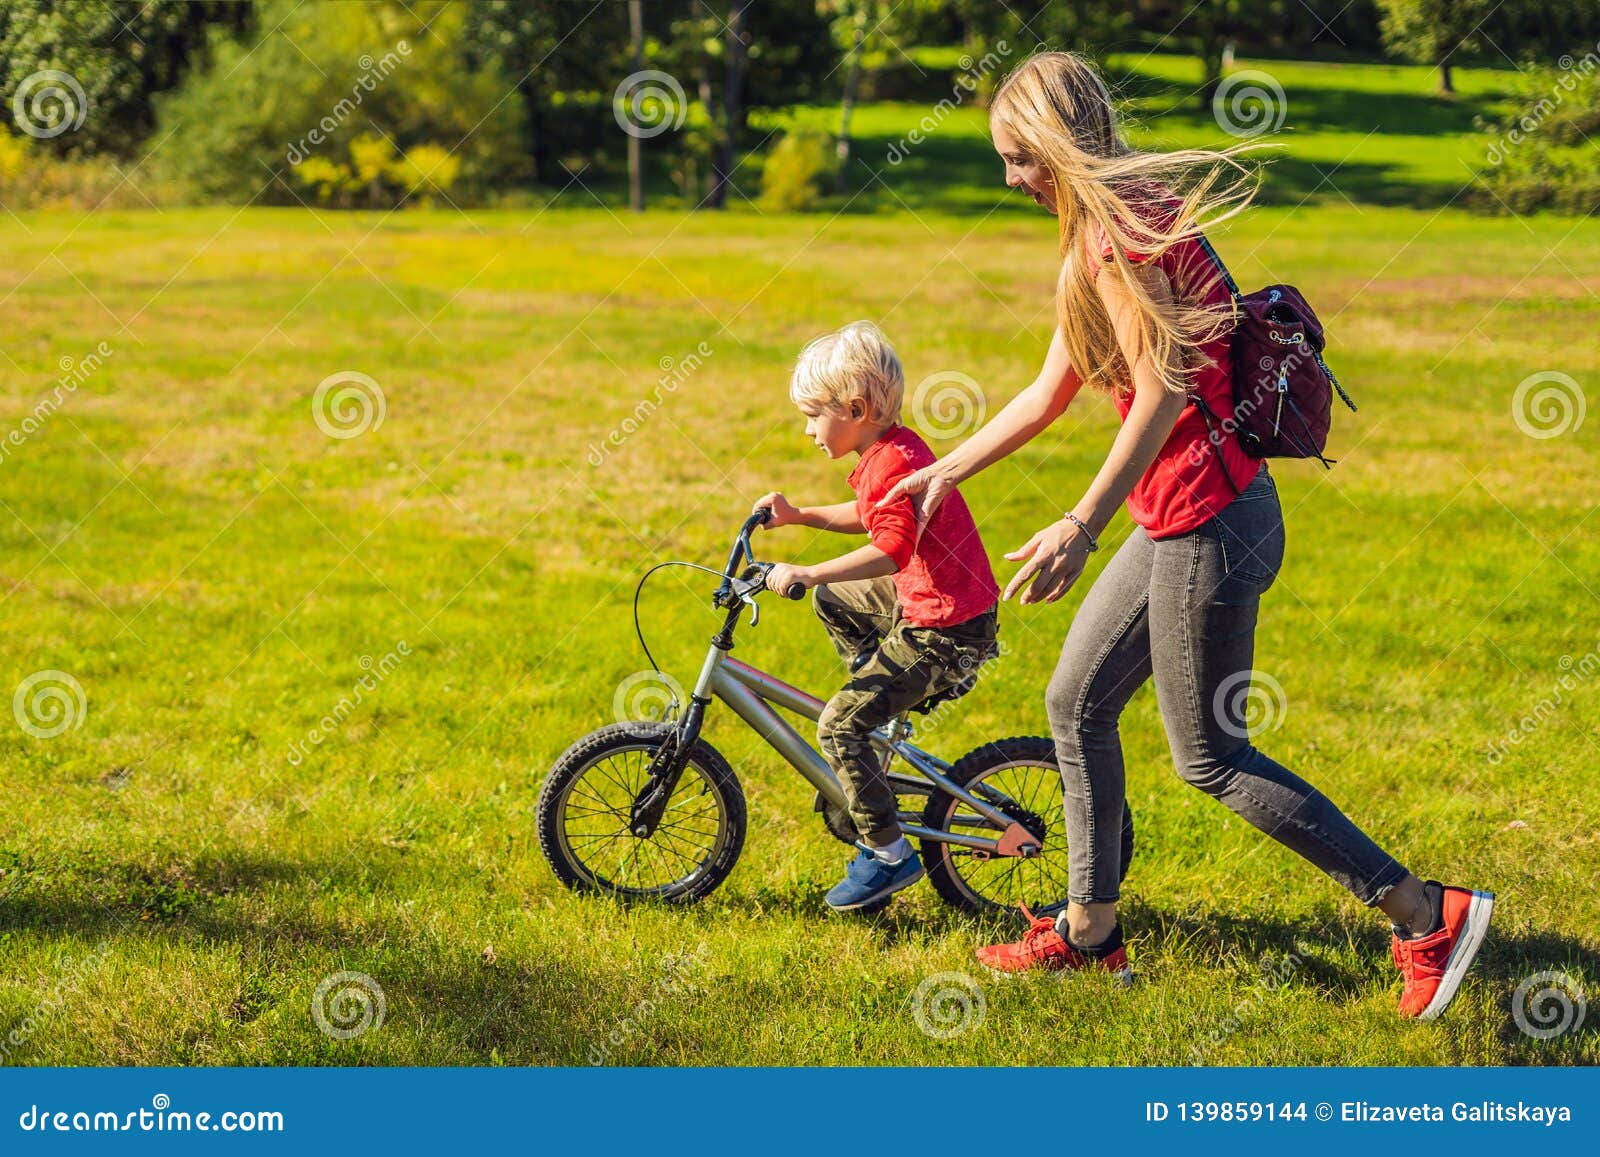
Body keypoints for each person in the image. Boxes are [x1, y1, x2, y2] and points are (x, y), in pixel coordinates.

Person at [876, 52, 1492, 1019]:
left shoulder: (1117, 236)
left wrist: (1080, 521)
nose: (1010, 180)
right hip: (1185, 518)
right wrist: (949, 467)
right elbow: (1053, 390)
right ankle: (1091, 931)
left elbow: (1162, 389)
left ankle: (1424, 911)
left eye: (1016, 158)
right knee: (1076, 700)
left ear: (1052, 142)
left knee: (1212, 757)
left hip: (1208, 522)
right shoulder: (1125, 216)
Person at [754, 321, 1001, 912]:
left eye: (814, 416)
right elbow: (869, 516)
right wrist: (799, 514)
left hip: (944, 627)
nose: (808, 429)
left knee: (838, 727)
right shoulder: (886, 451)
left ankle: (888, 855)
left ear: (857, 408)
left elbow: (890, 547)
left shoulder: (893, 462)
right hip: (933, 605)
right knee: (836, 600)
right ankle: (882, 704)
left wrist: (810, 570)